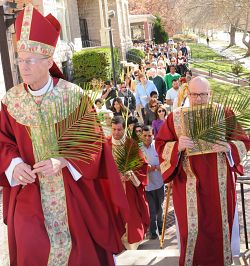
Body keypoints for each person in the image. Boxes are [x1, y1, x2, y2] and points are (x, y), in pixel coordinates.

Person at [0, 4, 129, 265]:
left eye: (29, 60)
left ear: (48, 62)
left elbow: (93, 142)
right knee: (31, 247)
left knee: (80, 253)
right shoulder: (10, 101)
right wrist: (13, 165)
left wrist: (64, 160)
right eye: (20, 59)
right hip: (30, 194)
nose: (22, 67)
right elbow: (3, 141)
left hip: (72, 193)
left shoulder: (73, 97)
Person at [155, 76, 250, 266]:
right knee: (190, 233)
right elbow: (160, 145)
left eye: (202, 94)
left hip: (219, 188)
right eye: (194, 94)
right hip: (187, 186)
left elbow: (244, 142)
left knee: (219, 231)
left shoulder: (224, 113)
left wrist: (227, 147)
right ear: (187, 93)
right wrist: (177, 147)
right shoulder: (175, 117)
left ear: (210, 93)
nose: (198, 99)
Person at [106, 116, 150, 250]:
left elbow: (142, 164)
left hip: (130, 187)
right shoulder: (106, 144)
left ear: (124, 129)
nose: (116, 132)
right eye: (113, 129)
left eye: (119, 129)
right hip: (112, 187)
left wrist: (131, 174)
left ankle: (132, 244)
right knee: (114, 213)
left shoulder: (131, 144)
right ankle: (118, 242)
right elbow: (101, 166)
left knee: (131, 214)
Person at [141, 126, 164, 240]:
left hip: (159, 183)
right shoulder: (138, 149)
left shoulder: (158, 146)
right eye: (145, 135)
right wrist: (146, 169)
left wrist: (158, 167)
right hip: (147, 186)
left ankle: (161, 227)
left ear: (153, 135)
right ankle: (153, 232)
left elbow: (165, 161)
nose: (147, 138)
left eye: (149, 135)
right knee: (151, 209)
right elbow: (138, 167)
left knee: (159, 207)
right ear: (141, 136)